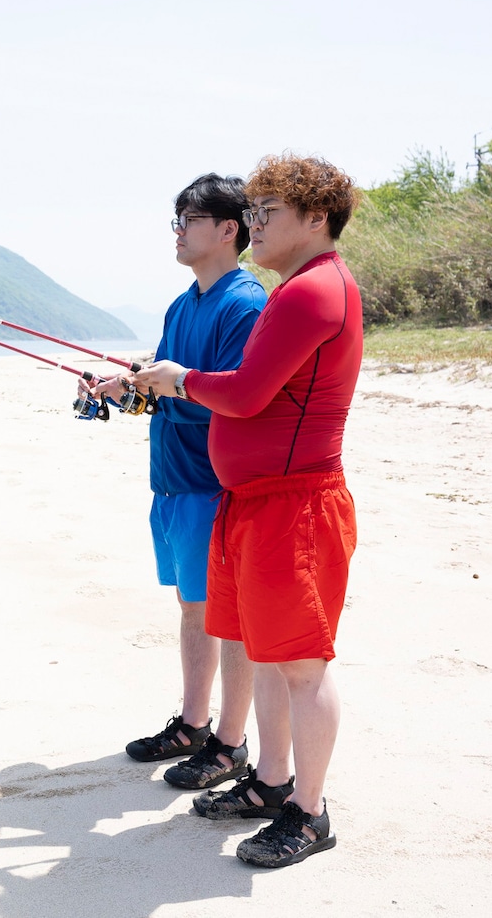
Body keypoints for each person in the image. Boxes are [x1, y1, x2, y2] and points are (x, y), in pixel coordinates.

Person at [128, 153, 362, 867]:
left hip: (293, 505)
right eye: (251, 212)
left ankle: (308, 811)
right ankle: (269, 782)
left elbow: (247, 392)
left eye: (267, 213)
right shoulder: (298, 286)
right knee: (266, 654)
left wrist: (180, 379)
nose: (254, 224)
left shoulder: (308, 291)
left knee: (300, 663)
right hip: (254, 502)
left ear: (315, 218)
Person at [82, 174, 264, 792]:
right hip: (173, 481)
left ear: (226, 229)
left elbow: (242, 400)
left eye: (187, 220)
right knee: (194, 609)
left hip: (215, 486)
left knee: (229, 618)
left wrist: (167, 385)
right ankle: (192, 725)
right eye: (176, 221)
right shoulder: (182, 304)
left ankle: (229, 747)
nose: (178, 233)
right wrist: (124, 388)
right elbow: (163, 392)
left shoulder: (245, 304)